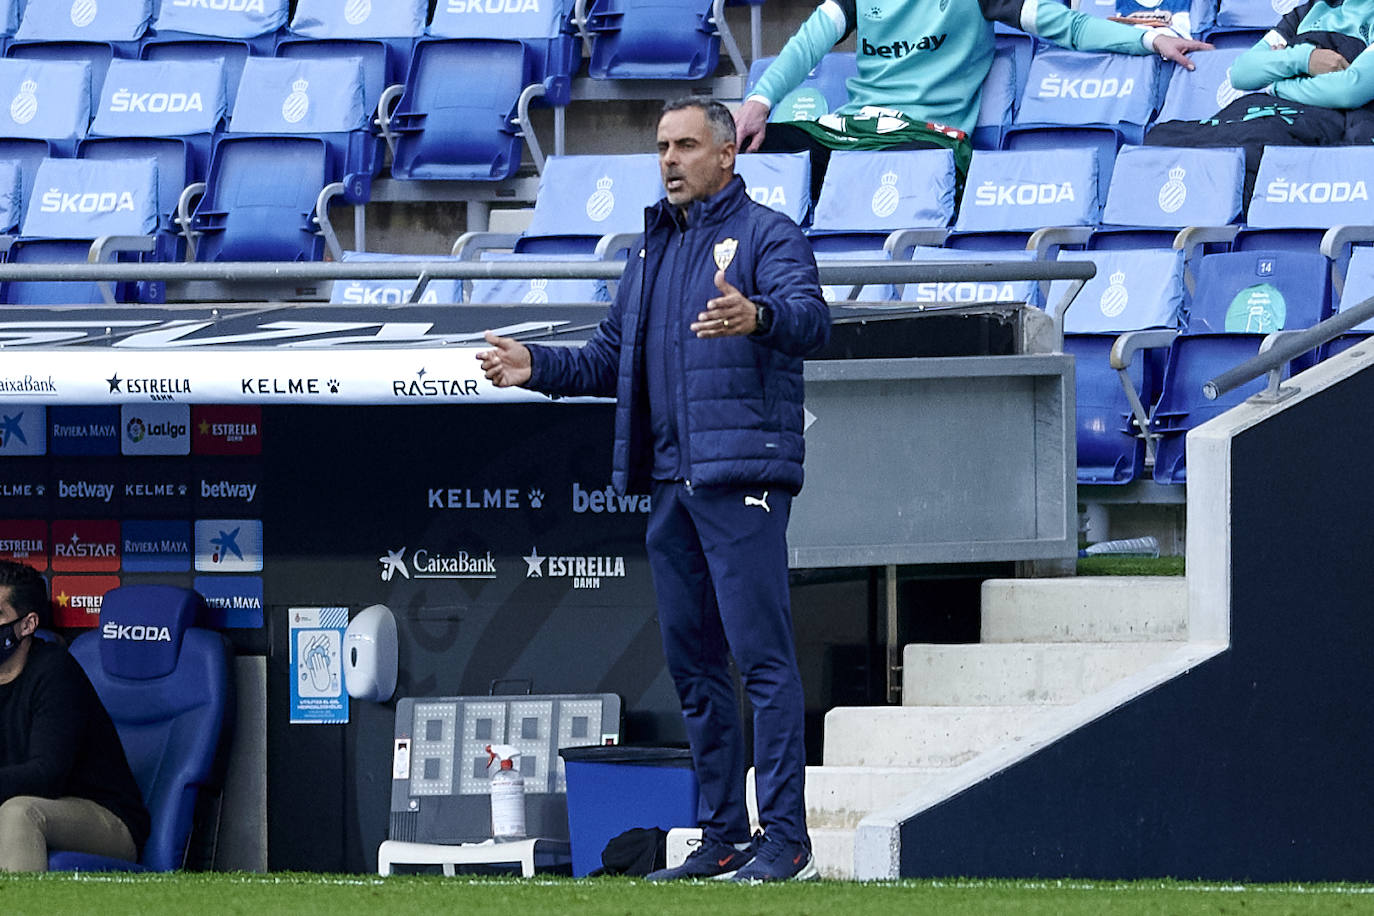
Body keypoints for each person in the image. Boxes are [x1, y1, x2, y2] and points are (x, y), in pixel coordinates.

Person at [477, 98, 831, 883]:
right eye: (662, 147)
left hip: (742, 481)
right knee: (695, 670)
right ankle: (721, 834)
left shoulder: (770, 235)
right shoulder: (650, 252)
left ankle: (787, 838)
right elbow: (611, 358)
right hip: (671, 485)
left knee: (762, 663)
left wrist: (758, 314)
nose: (669, 160)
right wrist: (538, 368)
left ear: (727, 154)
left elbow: (812, 320)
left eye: (685, 146)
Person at [737, 0, 1212, 200]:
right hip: (851, 129)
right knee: (743, 154)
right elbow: (806, 45)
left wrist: (1150, 41)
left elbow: (1066, 24)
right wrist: (759, 102)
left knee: (905, 172)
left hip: (925, 138)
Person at [0, 560, 149, 872]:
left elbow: (47, 775)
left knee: (19, 812)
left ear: (27, 625)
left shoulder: (54, 672)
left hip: (103, 819)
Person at [1147, 0, 1374, 189]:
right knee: (1160, 142)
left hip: (1319, 121)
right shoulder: (1305, 13)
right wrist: (1305, 58)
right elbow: (1241, 73)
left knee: (1250, 150)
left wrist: (1273, 84)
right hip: (1258, 113)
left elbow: (1349, 89)